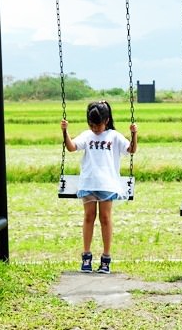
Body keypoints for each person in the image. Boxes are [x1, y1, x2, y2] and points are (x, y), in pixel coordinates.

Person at [61, 101, 138, 274]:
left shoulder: (114, 136)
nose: (95, 128)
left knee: (105, 218)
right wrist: (65, 132)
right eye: (92, 125)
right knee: (89, 217)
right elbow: (72, 147)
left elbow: (131, 150)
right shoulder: (87, 135)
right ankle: (86, 255)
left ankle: (106, 257)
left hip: (107, 184)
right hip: (88, 182)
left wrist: (134, 134)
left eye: (98, 125)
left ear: (107, 120)